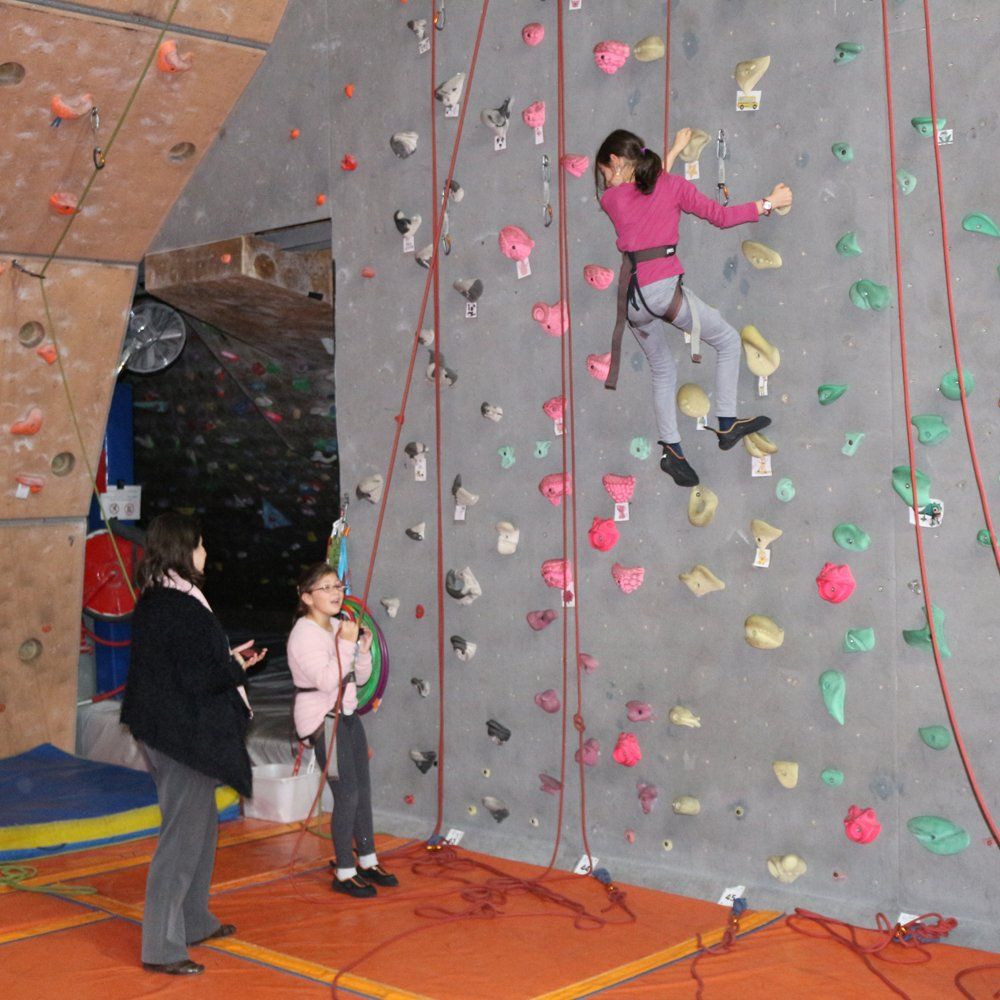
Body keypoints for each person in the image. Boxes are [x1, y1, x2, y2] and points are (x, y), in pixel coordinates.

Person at [595, 127, 793, 487]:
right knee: (729, 341)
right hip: (663, 293)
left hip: (634, 302)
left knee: (662, 371)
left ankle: (673, 452)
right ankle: (727, 421)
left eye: (605, 174)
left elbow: (646, 187)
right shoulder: (672, 187)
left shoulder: (612, 200)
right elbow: (720, 216)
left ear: (615, 162)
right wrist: (769, 203)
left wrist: (672, 150)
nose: (606, 182)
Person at [120, 511, 266, 976]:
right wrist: (235, 667)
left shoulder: (167, 598)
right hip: (179, 734)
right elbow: (198, 676)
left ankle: (193, 918)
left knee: (201, 828)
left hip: (176, 728)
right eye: (200, 545)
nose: (205, 553)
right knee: (181, 837)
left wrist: (227, 660)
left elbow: (188, 665)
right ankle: (161, 946)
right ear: (185, 549)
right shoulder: (174, 604)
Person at [287, 563, 398, 898]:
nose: (336, 593)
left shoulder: (339, 626)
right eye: (326, 588)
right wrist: (348, 645)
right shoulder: (303, 634)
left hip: (345, 714)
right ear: (307, 597)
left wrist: (361, 652)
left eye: (338, 586)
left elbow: (359, 678)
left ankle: (367, 858)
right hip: (322, 720)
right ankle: (344, 870)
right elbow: (324, 679)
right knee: (346, 793)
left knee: (362, 789)